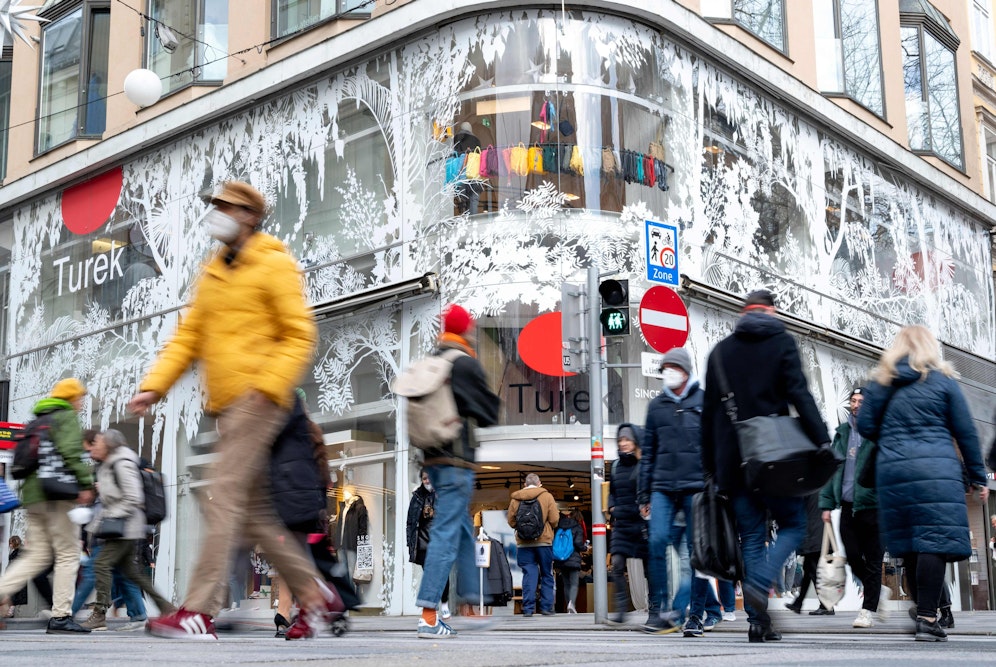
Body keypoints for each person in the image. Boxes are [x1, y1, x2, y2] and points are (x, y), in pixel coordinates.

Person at [128, 180, 342, 640]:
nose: (216, 213)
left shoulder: (273, 262)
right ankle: (314, 593)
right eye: (215, 206)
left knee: (222, 498)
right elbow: (189, 337)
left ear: (249, 214)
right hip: (227, 406)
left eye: (225, 207)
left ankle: (198, 611)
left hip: (258, 398)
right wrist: (154, 387)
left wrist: (267, 386)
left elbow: (299, 332)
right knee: (252, 513)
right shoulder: (213, 273)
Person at [701, 290, 830, 643]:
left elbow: (709, 415)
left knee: (752, 537)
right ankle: (760, 584)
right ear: (771, 311)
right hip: (773, 457)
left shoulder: (720, 352)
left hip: (734, 462)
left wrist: (710, 467)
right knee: (792, 523)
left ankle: (758, 622)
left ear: (743, 314)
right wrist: (821, 440)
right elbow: (799, 395)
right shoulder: (781, 342)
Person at [856, 325, 989, 642]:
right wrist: (976, 476)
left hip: (893, 472)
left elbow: (865, 425)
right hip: (936, 470)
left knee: (910, 545)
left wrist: (893, 437)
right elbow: (966, 432)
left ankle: (923, 610)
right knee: (934, 541)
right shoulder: (943, 382)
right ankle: (928, 618)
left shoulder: (879, 383)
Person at [414, 304, 499, 638]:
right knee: (446, 535)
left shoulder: (432, 361)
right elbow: (489, 412)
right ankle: (429, 614)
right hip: (457, 462)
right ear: (465, 329)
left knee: (462, 530)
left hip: (433, 461)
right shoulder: (463, 363)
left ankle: (473, 606)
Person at [0, 378, 96, 634]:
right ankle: (61, 616)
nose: (82, 403)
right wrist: (85, 483)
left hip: (33, 497)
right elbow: (71, 452)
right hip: (57, 495)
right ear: (71, 398)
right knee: (66, 553)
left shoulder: (37, 419)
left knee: (38, 555)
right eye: (80, 398)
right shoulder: (65, 417)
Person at [637, 346, 708, 635]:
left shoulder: (704, 402)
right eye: (664, 368)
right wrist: (644, 494)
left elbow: (715, 447)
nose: (668, 372)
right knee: (656, 542)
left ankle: (691, 614)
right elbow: (649, 452)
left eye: (673, 367)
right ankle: (660, 610)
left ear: (686, 370)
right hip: (662, 486)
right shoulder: (656, 406)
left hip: (697, 487)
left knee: (697, 553)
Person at [80, 430, 175, 631]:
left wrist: (111, 516)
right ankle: (167, 607)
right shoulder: (109, 463)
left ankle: (98, 615)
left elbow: (133, 497)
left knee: (101, 565)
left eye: (98, 443)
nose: (93, 447)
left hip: (125, 526)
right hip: (123, 526)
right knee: (133, 573)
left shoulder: (122, 463)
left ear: (109, 445)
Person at [269, 390, 336, 637]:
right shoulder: (310, 430)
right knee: (305, 561)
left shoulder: (275, 431)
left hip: (281, 508)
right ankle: (313, 607)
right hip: (306, 507)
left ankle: (284, 611)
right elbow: (322, 470)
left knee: (289, 562)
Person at [819, 387, 887, 627]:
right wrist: (827, 504)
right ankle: (876, 589)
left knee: (873, 560)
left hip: (874, 506)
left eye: (861, 401)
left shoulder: (878, 432)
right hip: (848, 506)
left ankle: (867, 609)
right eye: (853, 400)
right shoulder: (843, 433)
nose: (856, 405)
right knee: (853, 556)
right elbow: (832, 471)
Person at [606, 424, 648, 624]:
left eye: (627, 439)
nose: (623, 443)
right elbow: (612, 491)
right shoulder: (615, 466)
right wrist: (611, 506)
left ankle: (656, 607)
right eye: (620, 440)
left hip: (641, 524)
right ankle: (621, 609)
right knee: (616, 564)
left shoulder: (644, 463)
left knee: (650, 566)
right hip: (621, 523)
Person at [507, 473, 559, 618]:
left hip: (524, 543)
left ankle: (528, 608)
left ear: (525, 484)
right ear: (539, 484)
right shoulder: (546, 496)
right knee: (546, 574)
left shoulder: (516, 498)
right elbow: (554, 520)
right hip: (544, 542)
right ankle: (546, 607)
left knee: (529, 574)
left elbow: (511, 522)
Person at [407, 469, 451, 621]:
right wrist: (410, 543)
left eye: (429, 478)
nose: (427, 481)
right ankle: (432, 608)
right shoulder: (417, 497)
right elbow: (410, 522)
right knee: (430, 576)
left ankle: (444, 602)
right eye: (424, 478)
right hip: (423, 544)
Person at [785, 494, 833, 616]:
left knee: (813, 571)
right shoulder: (819, 486)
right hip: (817, 533)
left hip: (813, 534)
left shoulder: (809, 488)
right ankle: (799, 603)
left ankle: (826, 605)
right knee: (809, 570)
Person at [552, 506, 585, 614]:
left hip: (561, 558)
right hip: (573, 557)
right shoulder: (577, 527)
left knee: (566, 584)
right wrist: (585, 547)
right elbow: (578, 543)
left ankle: (568, 605)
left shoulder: (560, 526)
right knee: (574, 583)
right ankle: (572, 604)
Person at [453, 122, 484, 215]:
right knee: (473, 198)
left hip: (462, 171)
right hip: (474, 171)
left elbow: (455, 155)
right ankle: (472, 220)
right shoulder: (476, 140)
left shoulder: (457, 139)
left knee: (463, 199)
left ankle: (464, 220)